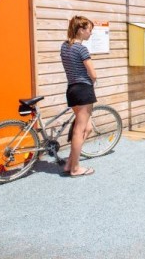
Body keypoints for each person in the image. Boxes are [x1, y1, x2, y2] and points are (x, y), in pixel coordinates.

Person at [60, 16, 97, 177]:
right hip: (83, 90)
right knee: (79, 129)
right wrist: (94, 79)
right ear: (81, 30)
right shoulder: (81, 49)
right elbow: (92, 73)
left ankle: (70, 162)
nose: (90, 33)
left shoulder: (64, 46)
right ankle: (75, 169)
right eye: (89, 29)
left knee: (87, 128)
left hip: (72, 89)